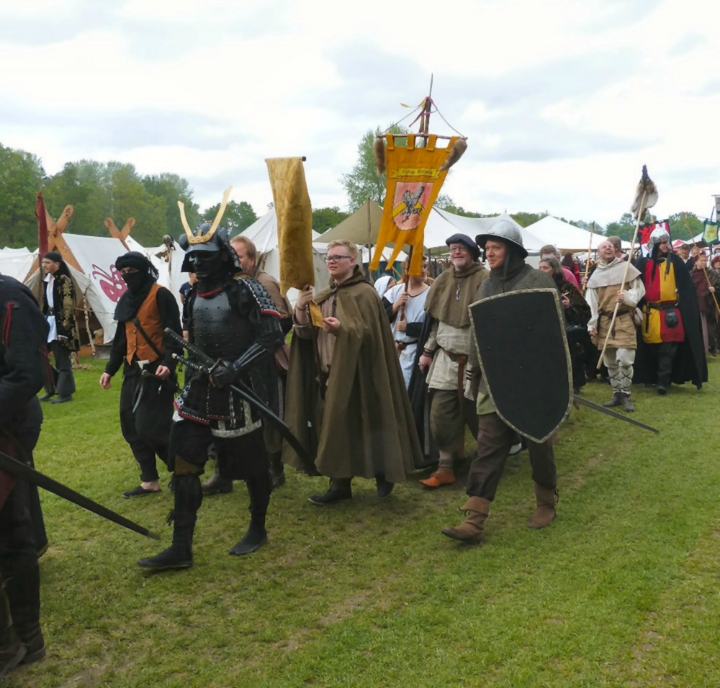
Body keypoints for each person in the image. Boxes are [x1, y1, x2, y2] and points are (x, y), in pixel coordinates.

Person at [137, 220, 285, 571]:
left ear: (222, 257)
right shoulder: (191, 296)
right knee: (184, 462)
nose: (200, 264)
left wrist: (236, 367)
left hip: (239, 389)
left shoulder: (246, 290)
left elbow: (272, 335)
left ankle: (258, 527)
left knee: (251, 465)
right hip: (200, 387)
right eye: (195, 257)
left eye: (206, 257)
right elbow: (196, 341)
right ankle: (180, 547)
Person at [441, 221, 560, 544]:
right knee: (490, 445)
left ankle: (546, 501)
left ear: (512, 250)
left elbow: (551, 334)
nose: (489, 253)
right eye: (487, 248)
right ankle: (475, 518)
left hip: (533, 382)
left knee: (538, 442)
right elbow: (481, 335)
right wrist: (476, 373)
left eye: (496, 248)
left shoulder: (538, 281)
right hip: (495, 382)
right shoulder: (487, 286)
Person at [284, 240, 422, 504]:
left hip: (361, 373)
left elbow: (371, 335)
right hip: (328, 374)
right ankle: (339, 484)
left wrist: (342, 330)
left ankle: (384, 471)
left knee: (370, 422)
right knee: (334, 428)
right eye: (329, 257)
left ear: (352, 262)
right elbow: (304, 334)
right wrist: (301, 307)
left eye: (338, 257)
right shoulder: (322, 295)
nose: (332, 261)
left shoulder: (365, 294)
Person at [99, 252, 183, 498]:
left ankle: (182, 472)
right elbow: (121, 340)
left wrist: (169, 363)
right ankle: (149, 480)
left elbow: (174, 334)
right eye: (122, 273)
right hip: (132, 370)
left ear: (144, 271)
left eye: (131, 272)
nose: (127, 277)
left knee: (153, 428)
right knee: (130, 427)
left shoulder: (161, 295)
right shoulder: (125, 300)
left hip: (157, 370)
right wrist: (109, 370)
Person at [0, 273, 49, 673]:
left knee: (10, 530)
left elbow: (26, 374)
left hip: (8, 427)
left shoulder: (9, 297)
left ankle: (25, 638)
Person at [415, 234, 487, 489]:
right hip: (445, 361)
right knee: (441, 416)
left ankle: (488, 465)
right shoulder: (443, 280)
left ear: (472, 252)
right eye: (452, 249)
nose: (456, 253)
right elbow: (437, 322)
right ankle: (445, 467)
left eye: (461, 249)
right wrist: (426, 351)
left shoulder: (486, 279)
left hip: (477, 363)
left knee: (481, 418)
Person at [634, 227, 707, 395]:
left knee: (668, 349)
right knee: (651, 348)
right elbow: (634, 284)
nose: (667, 245)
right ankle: (651, 377)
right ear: (655, 244)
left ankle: (663, 382)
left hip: (670, 314)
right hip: (649, 314)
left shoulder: (675, 262)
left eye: (667, 242)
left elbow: (686, 288)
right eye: (663, 243)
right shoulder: (644, 263)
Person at [585, 240, 645, 412]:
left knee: (625, 359)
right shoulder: (596, 275)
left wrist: (626, 297)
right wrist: (592, 324)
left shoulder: (626, 268)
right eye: (604, 246)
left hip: (624, 319)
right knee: (610, 361)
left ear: (615, 250)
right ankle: (617, 393)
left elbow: (639, 289)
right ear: (599, 253)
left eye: (610, 246)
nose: (608, 248)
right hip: (604, 322)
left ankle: (626, 394)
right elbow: (591, 304)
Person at [538, 256, 592, 394]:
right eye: (540, 268)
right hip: (545, 328)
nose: (542, 270)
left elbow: (585, 310)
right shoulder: (537, 287)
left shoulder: (566, 287)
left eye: (546, 268)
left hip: (566, 328)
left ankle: (574, 385)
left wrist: (570, 305)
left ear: (554, 270)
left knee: (570, 356)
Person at [383, 257, 431, 388]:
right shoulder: (394, 292)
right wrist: (396, 305)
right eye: (419, 267)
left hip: (416, 351)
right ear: (406, 269)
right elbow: (380, 318)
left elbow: (433, 327)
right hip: (394, 351)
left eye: (425, 267)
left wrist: (408, 328)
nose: (423, 271)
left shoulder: (431, 294)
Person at [39, 251, 79, 403]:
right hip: (48, 322)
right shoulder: (47, 279)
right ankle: (51, 387)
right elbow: (45, 304)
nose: (45, 265)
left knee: (62, 360)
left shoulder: (64, 281)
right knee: (40, 356)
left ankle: (65, 393)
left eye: (48, 262)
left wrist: (64, 330)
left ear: (57, 264)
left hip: (60, 325)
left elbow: (67, 306)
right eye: (44, 262)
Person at [691, 253, 717, 354]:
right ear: (696, 262)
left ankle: (710, 347)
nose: (704, 262)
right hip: (694, 303)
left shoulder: (712, 274)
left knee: (708, 328)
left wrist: (714, 289)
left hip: (707, 303)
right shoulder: (691, 273)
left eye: (705, 261)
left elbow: (718, 285)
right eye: (702, 260)